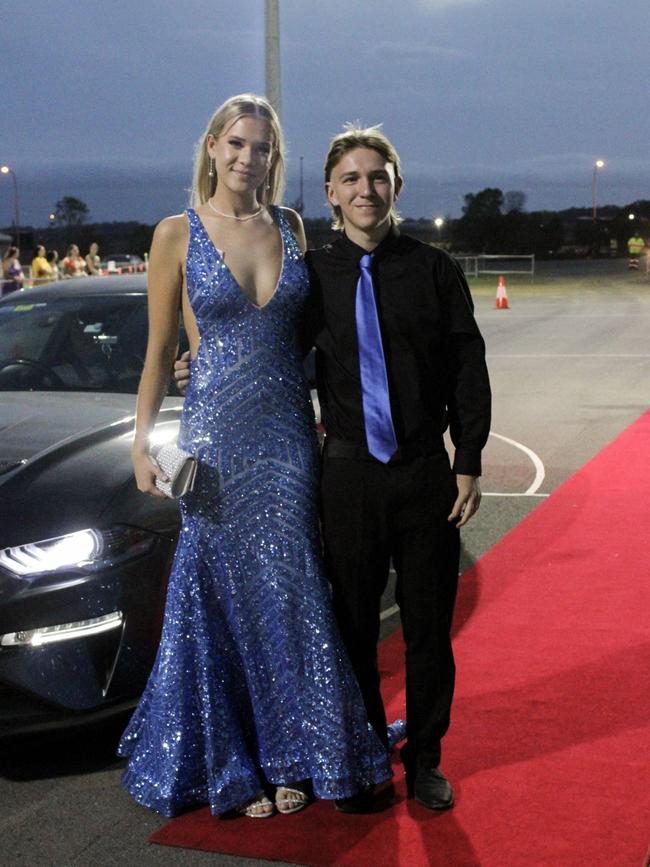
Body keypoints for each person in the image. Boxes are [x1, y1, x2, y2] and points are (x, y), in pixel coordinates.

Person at [174, 125, 492, 813]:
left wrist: (467, 458)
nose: (365, 189)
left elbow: (469, 365)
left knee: (429, 630)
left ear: (395, 186)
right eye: (350, 179)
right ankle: (367, 754)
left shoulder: (435, 270)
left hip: (422, 474)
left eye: (376, 177)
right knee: (350, 625)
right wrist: (201, 361)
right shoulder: (312, 274)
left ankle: (428, 760)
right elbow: (264, 340)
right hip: (346, 475)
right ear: (330, 194)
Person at [117, 95, 391, 821]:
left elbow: (310, 335)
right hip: (212, 442)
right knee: (219, 595)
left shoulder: (292, 226)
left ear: (275, 157)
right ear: (212, 146)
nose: (249, 158)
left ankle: (297, 751)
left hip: (287, 438)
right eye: (237, 144)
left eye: (263, 148)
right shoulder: (175, 234)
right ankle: (234, 759)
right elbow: (156, 352)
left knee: (292, 586)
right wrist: (147, 444)